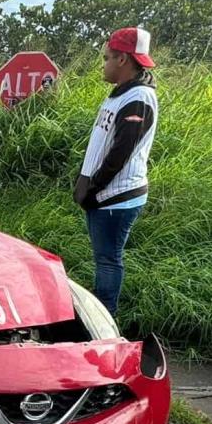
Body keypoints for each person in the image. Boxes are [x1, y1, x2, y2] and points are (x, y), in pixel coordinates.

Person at [73, 27, 159, 317]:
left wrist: (94, 189)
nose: (104, 63)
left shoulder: (139, 98)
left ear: (123, 60)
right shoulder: (122, 94)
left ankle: (106, 317)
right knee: (104, 258)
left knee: (108, 260)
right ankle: (102, 308)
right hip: (104, 193)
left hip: (115, 197)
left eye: (108, 57)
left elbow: (120, 153)